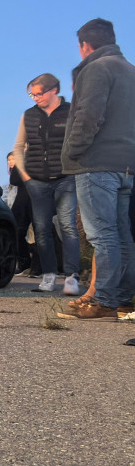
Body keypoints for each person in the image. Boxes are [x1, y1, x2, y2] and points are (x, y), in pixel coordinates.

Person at [61, 18, 135, 319]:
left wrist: (73, 151)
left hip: (96, 163)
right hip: (126, 166)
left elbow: (89, 115)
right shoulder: (129, 70)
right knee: (121, 234)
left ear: (84, 46)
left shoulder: (96, 68)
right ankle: (123, 298)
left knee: (103, 235)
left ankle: (102, 300)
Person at [12, 72, 81, 295]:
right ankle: (48, 276)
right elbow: (18, 146)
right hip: (37, 182)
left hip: (66, 178)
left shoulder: (72, 111)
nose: (35, 98)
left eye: (39, 94)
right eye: (32, 95)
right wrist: (26, 177)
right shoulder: (28, 115)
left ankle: (71, 277)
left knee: (67, 226)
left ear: (54, 90)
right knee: (41, 230)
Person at [3, 152, 34, 273]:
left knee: (19, 232)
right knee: (18, 233)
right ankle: (25, 263)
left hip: (25, 202)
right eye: (9, 160)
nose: (11, 162)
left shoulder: (22, 168)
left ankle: (26, 263)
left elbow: (15, 180)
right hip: (22, 203)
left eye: (13, 159)